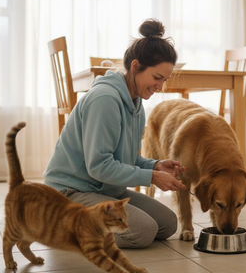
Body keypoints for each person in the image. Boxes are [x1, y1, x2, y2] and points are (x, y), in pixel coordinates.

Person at [43, 18, 186, 248]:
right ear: (136, 66)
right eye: (157, 78)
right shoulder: (105, 100)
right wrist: (150, 178)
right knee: (142, 231)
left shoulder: (136, 101)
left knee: (167, 224)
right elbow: (99, 166)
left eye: (165, 80)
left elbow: (127, 159)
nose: (160, 87)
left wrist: (155, 166)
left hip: (103, 190)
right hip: (71, 192)